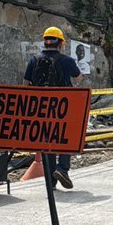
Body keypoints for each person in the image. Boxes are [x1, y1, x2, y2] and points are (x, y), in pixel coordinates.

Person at [23, 26, 84, 188]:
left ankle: (51, 182)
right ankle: (62, 168)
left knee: (48, 141)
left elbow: (26, 84)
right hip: (63, 107)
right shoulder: (67, 60)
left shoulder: (34, 60)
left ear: (45, 42)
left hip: (42, 109)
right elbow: (78, 79)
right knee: (65, 137)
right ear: (61, 44)